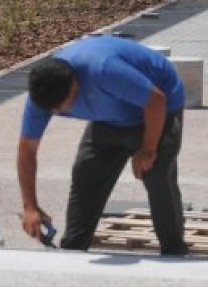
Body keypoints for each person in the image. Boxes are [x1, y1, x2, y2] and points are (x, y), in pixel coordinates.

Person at [17, 35, 188, 256]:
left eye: (64, 105)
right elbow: (27, 151)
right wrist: (30, 206)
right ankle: (74, 250)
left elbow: (156, 100)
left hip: (157, 109)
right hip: (109, 119)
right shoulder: (42, 97)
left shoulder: (104, 70)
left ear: (75, 83)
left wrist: (148, 149)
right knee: (86, 175)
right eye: (55, 110)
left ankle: (174, 251)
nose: (60, 112)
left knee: (157, 176)